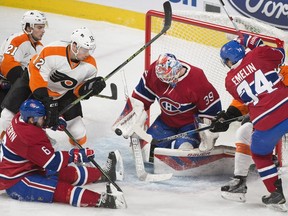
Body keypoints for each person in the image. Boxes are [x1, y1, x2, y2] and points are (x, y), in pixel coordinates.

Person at [210, 33, 288, 211]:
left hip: (266, 120)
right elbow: (279, 54)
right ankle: (240, 180)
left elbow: (246, 95)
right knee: (244, 133)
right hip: (281, 107)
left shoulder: (230, 81)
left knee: (259, 152)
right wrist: (227, 116)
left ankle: (274, 192)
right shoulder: (260, 53)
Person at [0, 99, 126, 208]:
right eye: (42, 118)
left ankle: (105, 174)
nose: (43, 120)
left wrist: (51, 122)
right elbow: (53, 162)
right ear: (32, 119)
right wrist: (75, 155)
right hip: (17, 180)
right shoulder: (28, 137)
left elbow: (35, 125)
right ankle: (104, 201)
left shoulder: (19, 118)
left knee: (68, 172)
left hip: (28, 167)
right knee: (61, 189)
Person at [0, 26, 106, 146]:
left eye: (90, 50)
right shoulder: (52, 51)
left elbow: (77, 90)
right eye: (84, 49)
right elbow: (37, 76)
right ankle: (4, 148)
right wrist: (47, 102)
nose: (87, 54)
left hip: (62, 92)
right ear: (74, 45)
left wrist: (89, 89)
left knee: (78, 131)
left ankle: (79, 157)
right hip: (31, 83)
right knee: (6, 117)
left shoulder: (90, 66)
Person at [114, 53, 222, 156]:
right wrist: (133, 119)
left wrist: (207, 134)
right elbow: (140, 99)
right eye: (163, 77)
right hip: (165, 122)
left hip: (190, 126)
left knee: (183, 150)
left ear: (177, 68)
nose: (165, 80)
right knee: (146, 150)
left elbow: (211, 111)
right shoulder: (154, 73)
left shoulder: (196, 79)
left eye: (168, 76)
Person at [0, 10, 47, 112]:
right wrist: (26, 87)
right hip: (4, 87)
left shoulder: (39, 47)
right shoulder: (19, 39)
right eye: (39, 27)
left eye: (43, 27)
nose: (43, 31)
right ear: (29, 27)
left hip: (13, 88)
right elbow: (7, 64)